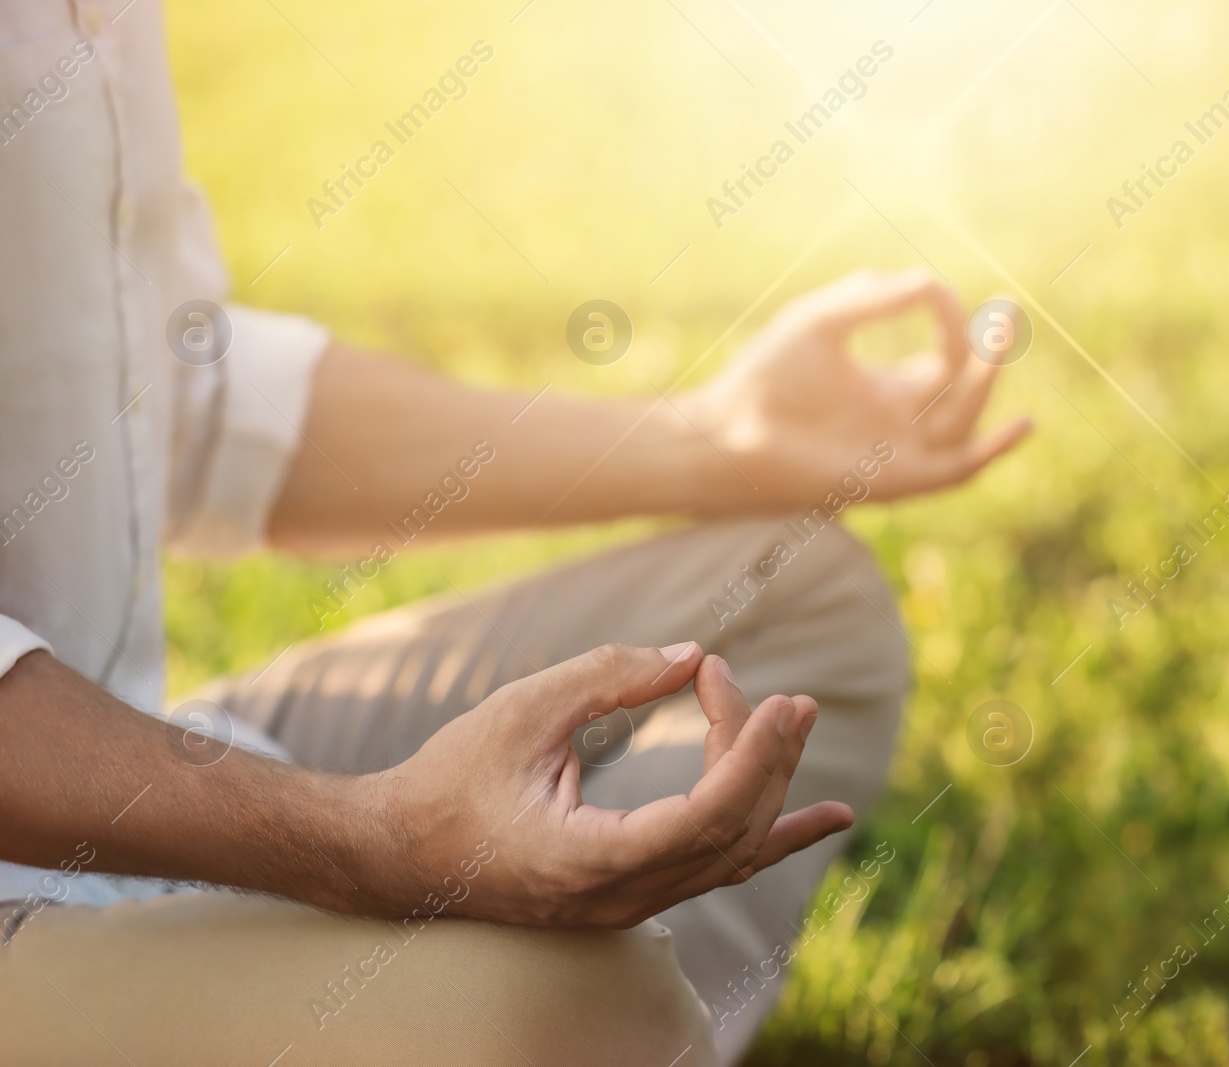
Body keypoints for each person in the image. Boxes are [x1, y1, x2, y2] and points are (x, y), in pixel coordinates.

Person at [0, 3, 1029, 1064]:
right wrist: (368, 840)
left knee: (798, 594)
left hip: (114, 749)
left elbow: (170, 398)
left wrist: (714, 438)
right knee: (563, 1008)